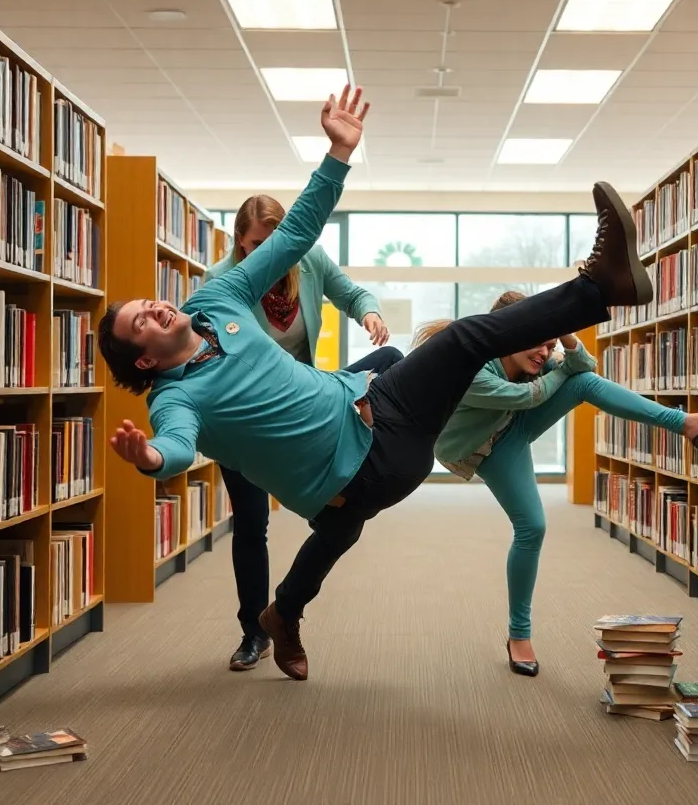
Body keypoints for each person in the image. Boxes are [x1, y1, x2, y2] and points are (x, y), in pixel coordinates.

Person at [99, 83, 656, 682]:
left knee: (462, 338)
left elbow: (294, 235)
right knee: (341, 519)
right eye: (140, 321)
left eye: (147, 302)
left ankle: (600, 287)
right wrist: (150, 458)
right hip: (366, 467)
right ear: (145, 362)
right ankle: (279, 613)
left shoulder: (214, 299)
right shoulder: (176, 396)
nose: (154, 306)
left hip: (366, 398)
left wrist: (338, 153)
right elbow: (177, 445)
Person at [419, 290, 698, 677]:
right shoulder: (470, 364)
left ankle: (687, 424)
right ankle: (520, 635)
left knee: (584, 381)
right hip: (481, 449)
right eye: (538, 342)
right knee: (533, 525)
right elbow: (527, 396)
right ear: (508, 333)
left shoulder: (536, 357)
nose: (544, 352)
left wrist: (565, 333)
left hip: (512, 427)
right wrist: (561, 366)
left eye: (550, 344)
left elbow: (585, 365)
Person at [210, 195, 402, 671]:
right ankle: (254, 633)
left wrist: (369, 314)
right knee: (251, 521)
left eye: (276, 243)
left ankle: (362, 465)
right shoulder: (221, 282)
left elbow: (352, 294)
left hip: (305, 404)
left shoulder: (309, 260)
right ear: (239, 242)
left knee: (391, 360)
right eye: (257, 246)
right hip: (248, 418)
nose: (269, 255)